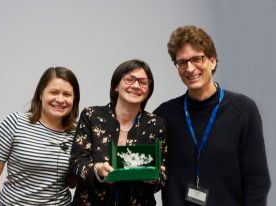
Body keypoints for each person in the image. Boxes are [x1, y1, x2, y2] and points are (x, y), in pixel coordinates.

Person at [153, 25, 271, 206]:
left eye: (197, 59)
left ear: (213, 60)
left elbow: (257, 182)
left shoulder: (243, 110)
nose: (190, 68)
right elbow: (145, 172)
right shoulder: (164, 115)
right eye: (182, 62)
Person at [70, 59, 167, 206]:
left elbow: (163, 175)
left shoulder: (157, 124)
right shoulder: (92, 115)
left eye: (143, 82)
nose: (135, 86)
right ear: (116, 85)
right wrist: (98, 170)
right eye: (129, 79)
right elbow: (76, 163)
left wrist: (155, 177)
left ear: (148, 90)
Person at [0, 67, 80, 206]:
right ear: (41, 94)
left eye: (67, 94)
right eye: (54, 92)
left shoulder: (77, 134)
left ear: (74, 98)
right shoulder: (15, 122)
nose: (60, 99)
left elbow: (72, 183)